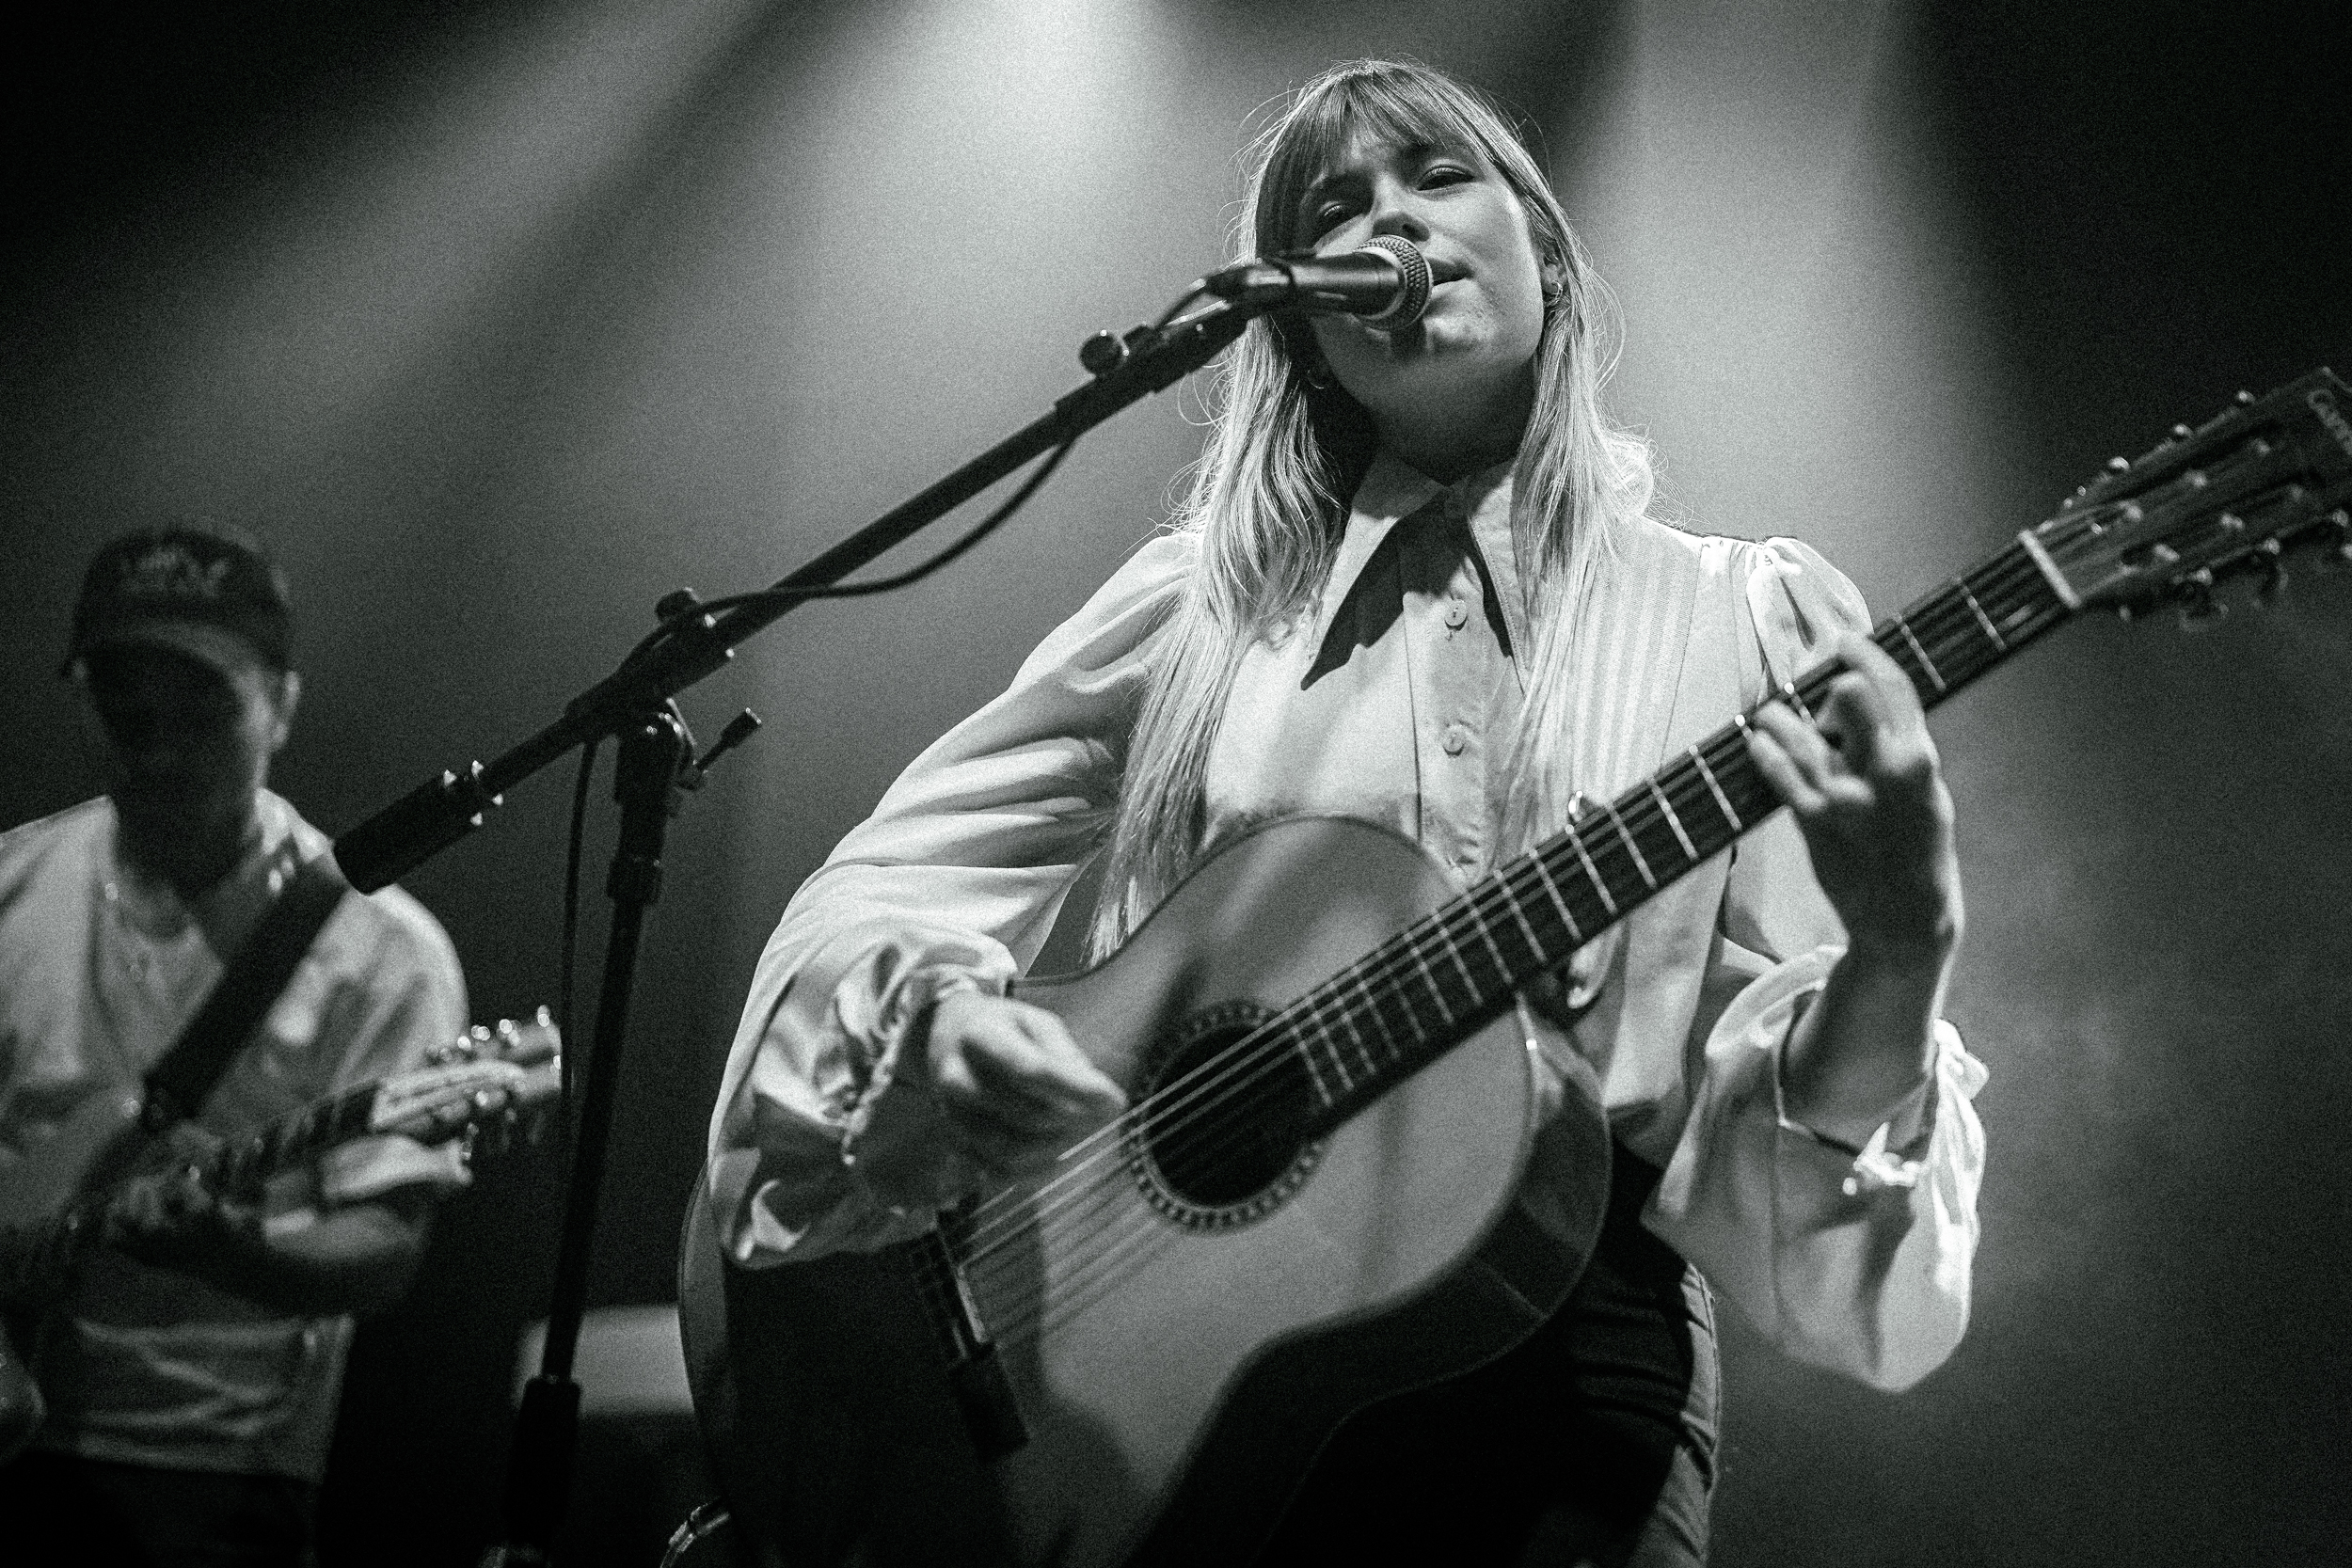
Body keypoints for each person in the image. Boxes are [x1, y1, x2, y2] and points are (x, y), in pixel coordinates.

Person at [704, 58, 1987, 1567]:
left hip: (1566, 1374)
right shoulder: (1201, 610)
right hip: (1167, 1367)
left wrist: (1902, 947)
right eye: (1338, 208)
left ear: (1548, 255)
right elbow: (880, 884)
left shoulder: (1743, 622)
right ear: (1303, 328)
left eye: (1438, 176)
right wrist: (934, 1014)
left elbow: (1796, 1194)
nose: (1392, 218)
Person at [0, 522, 471, 1567]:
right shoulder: (13, 886)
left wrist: (234, 1249)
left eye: (201, 706)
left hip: (211, 1470)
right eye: (126, 707)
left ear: (282, 705)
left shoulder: (380, 953)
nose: (158, 742)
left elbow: (386, 1244)